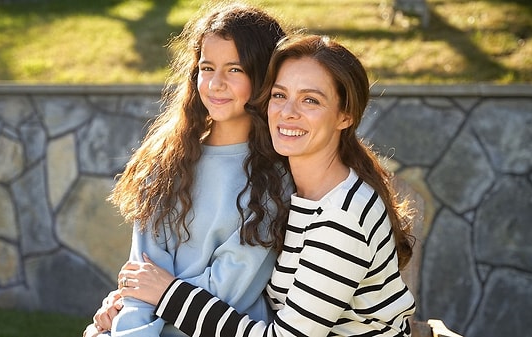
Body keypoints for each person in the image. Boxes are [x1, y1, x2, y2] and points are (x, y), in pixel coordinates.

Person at [117, 34, 417, 336]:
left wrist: (167, 295)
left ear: (345, 116)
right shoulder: (299, 193)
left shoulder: (341, 218)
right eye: (279, 95)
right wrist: (126, 303)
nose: (288, 112)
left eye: (310, 100)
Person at [81, 2, 291, 337]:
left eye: (235, 70)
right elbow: (142, 273)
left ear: (263, 76)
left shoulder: (273, 178)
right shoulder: (167, 158)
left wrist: (158, 292)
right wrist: (126, 329)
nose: (216, 83)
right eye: (207, 68)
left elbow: (229, 290)